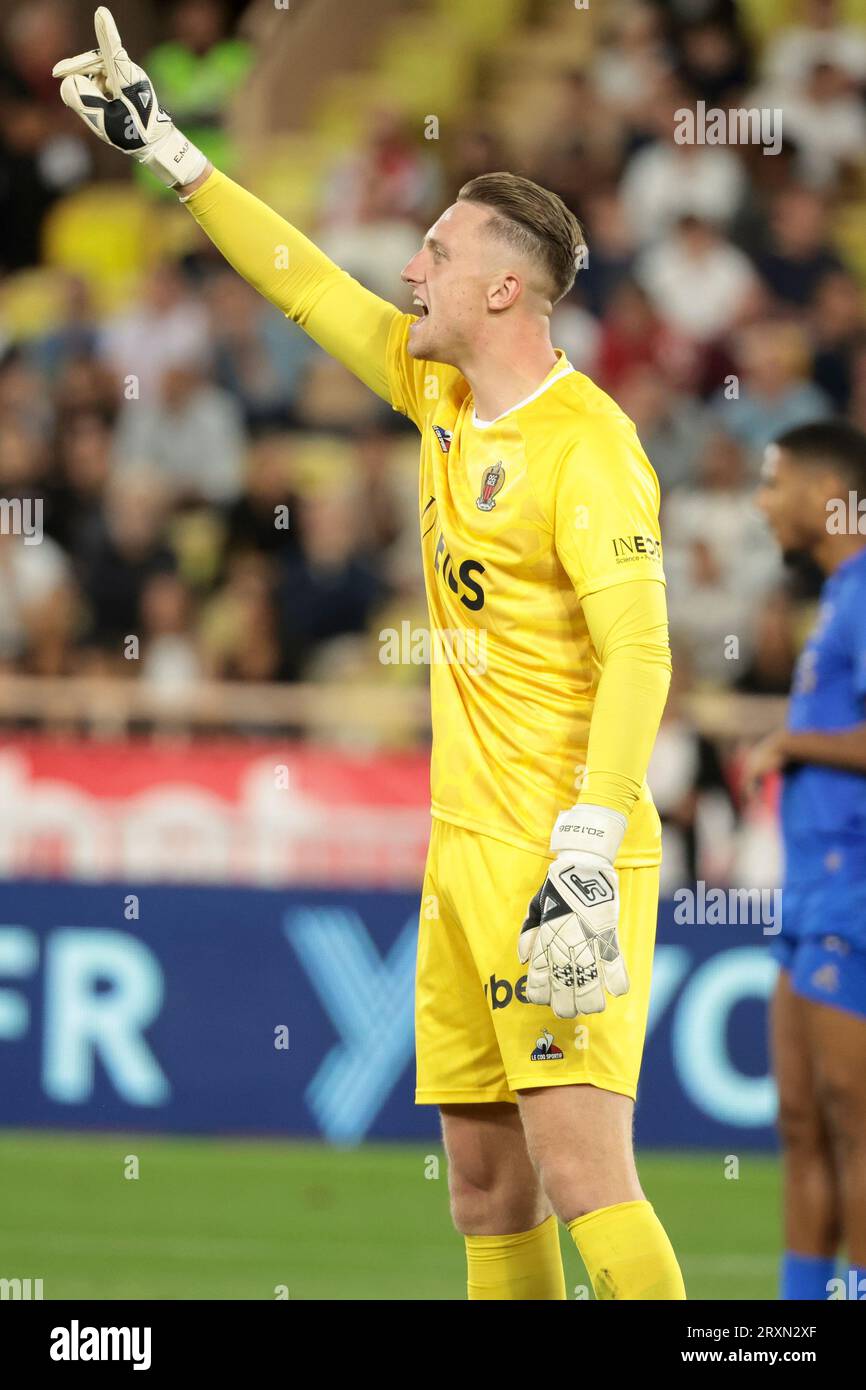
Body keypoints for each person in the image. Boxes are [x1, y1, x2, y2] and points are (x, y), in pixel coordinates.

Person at [52, 9, 683, 1301]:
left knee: (583, 1175)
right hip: (460, 849)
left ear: (503, 285)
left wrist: (580, 846)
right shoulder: (435, 388)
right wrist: (171, 150)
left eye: (438, 250)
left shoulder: (589, 445)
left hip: (561, 851)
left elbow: (642, 653)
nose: (411, 266)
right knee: (484, 1186)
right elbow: (299, 278)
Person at [747, 420, 866, 1300]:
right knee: (800, 1124)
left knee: (856, 1130)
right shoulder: (833, 597)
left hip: (854, 896)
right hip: (807, 897)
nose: (761, 501)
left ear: (829, 493)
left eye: (773, 481)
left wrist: (794, 740)